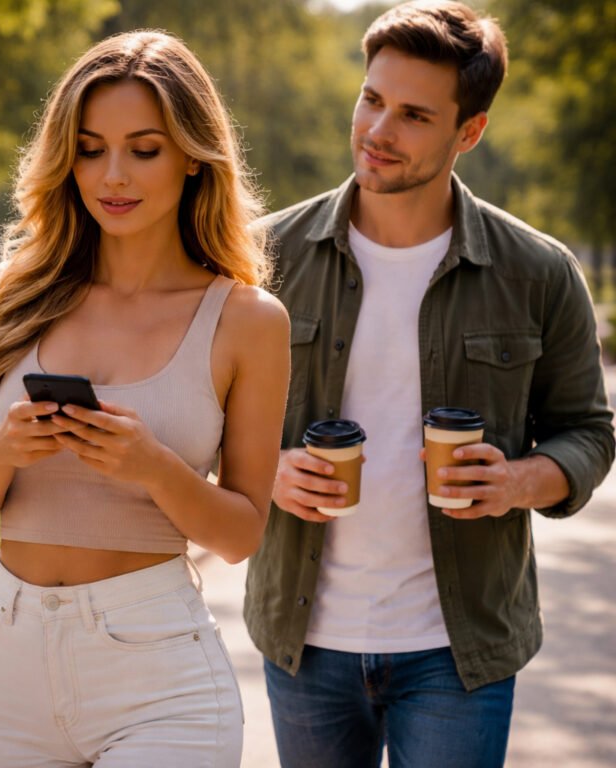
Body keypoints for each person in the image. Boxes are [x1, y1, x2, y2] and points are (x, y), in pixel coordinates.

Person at [243, 2, 615, 767]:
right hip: (303, 642)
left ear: (468, 132)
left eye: (414, 114)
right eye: (371, 99)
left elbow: (590, 431)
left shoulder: (538, 273)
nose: (378, 131)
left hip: (458, 650)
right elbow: (204, 419)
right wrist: (264, 471)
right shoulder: (263, 258)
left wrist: (519, 480)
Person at [0, 30, 290, 768]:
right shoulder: (6, 298)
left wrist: (154, 467)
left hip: (157, 670)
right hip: (8, 657)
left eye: (145, 148)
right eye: (91, 148)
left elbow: (240, 534)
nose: (114, 175)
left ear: (193, 155)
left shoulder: (246, 320)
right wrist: (4, 449)